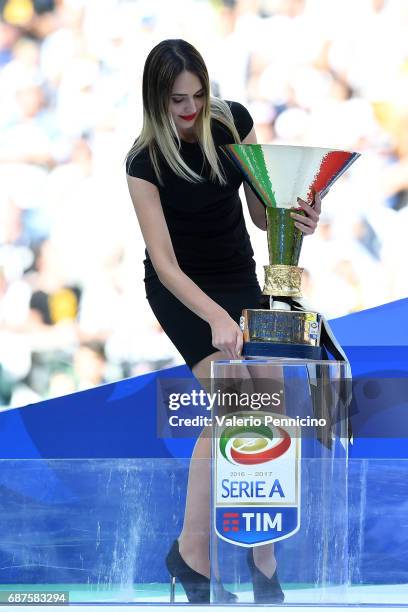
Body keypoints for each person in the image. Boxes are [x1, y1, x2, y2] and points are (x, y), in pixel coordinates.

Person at [125, 39, 321, 604]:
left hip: (238, 275)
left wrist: (299, 216)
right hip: (183, 291)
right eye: (175, 100)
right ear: (155, 99)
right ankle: (194, 554)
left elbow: (263, 215)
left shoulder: (232, 122)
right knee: (237, 400)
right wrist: (215, 318)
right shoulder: (143, 161)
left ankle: (264, 561)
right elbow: (163, 265)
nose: (188, 110)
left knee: (274, 402)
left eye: (196, 96)